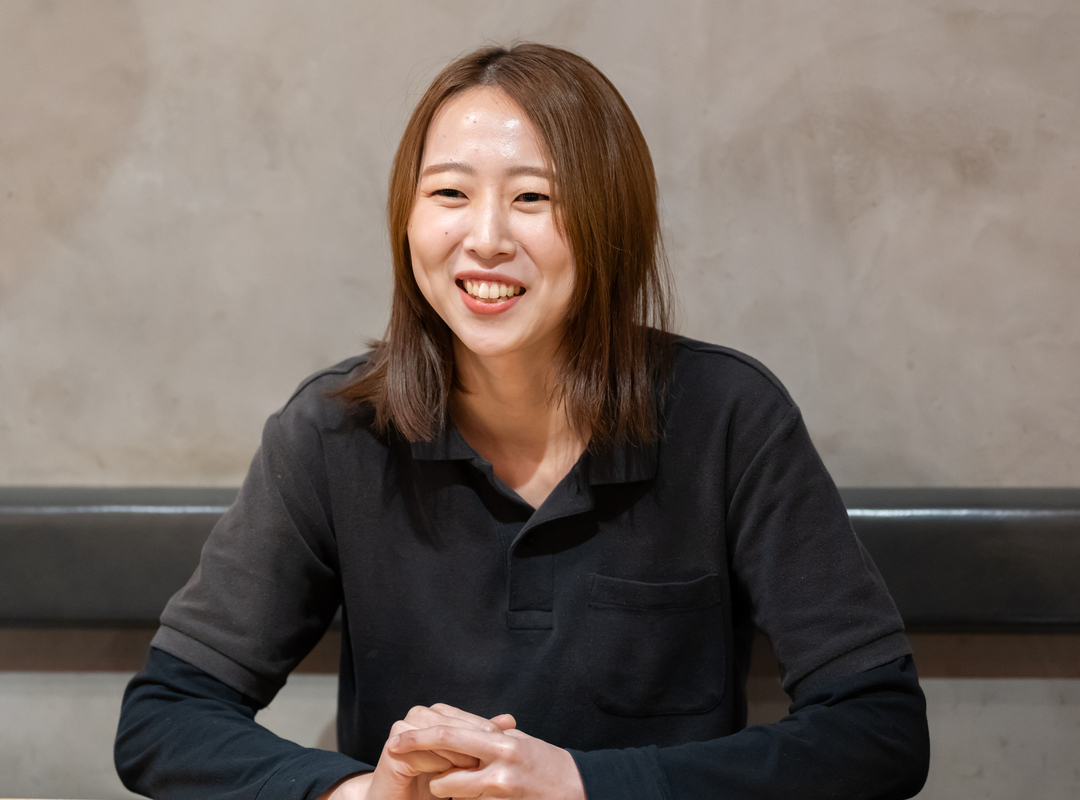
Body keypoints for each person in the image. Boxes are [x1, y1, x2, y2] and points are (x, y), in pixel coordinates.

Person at [115, 43, 929, 800]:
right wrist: (354, 794)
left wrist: (583, 786)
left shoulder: (728, 417)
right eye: (450, 193)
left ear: (610, 223)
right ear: (407, 219)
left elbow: (879, 729)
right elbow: (167, 716)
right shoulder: (334, 432)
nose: (486, 239)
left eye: (533, 198)